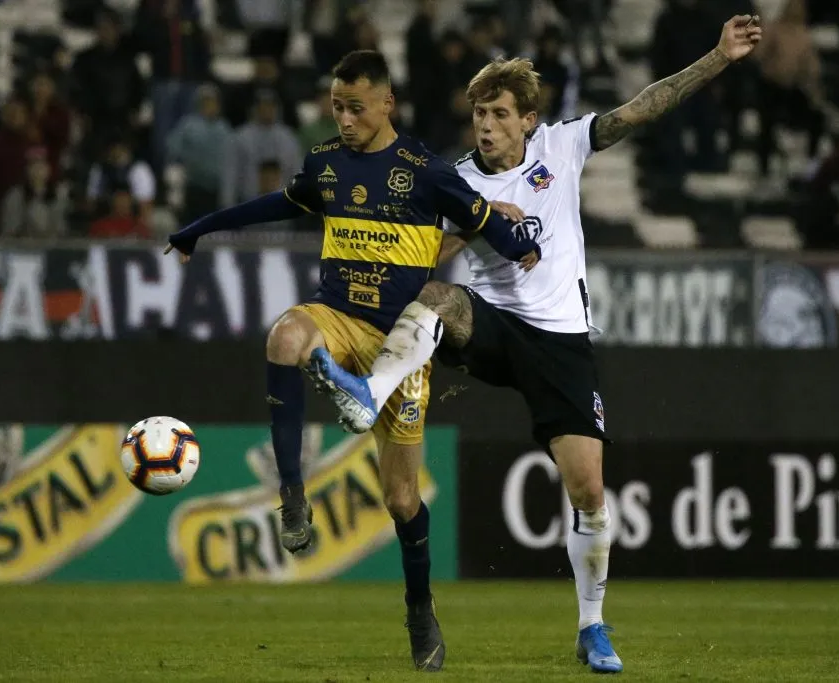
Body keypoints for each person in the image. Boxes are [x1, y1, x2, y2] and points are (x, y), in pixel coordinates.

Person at [310, 15, 763, 675]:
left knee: (589, 490)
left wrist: (719, 57)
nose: (484, 124)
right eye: (477, 113)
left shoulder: (563, 145)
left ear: (527, 120)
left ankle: (591, 625)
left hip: (561, 344)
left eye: (497, 113)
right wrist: (483, 224)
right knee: (437, 296)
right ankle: (366, 393)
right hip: (493, 324)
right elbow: (425, 258)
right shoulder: (461, 181)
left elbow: (643, 107)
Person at [163, 50, 538, 672]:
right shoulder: (327, 165)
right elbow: (274, 205)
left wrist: (520, 242)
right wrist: (199, 228)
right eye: (336, 106)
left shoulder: (426, 171)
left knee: (400, 500)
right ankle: (292, 495)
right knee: (285, 337)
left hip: (399, 343)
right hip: (337, 317)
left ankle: (420, 608)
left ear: (386, 104)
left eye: (355, 107)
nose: (344, 118)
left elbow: (483, 222)